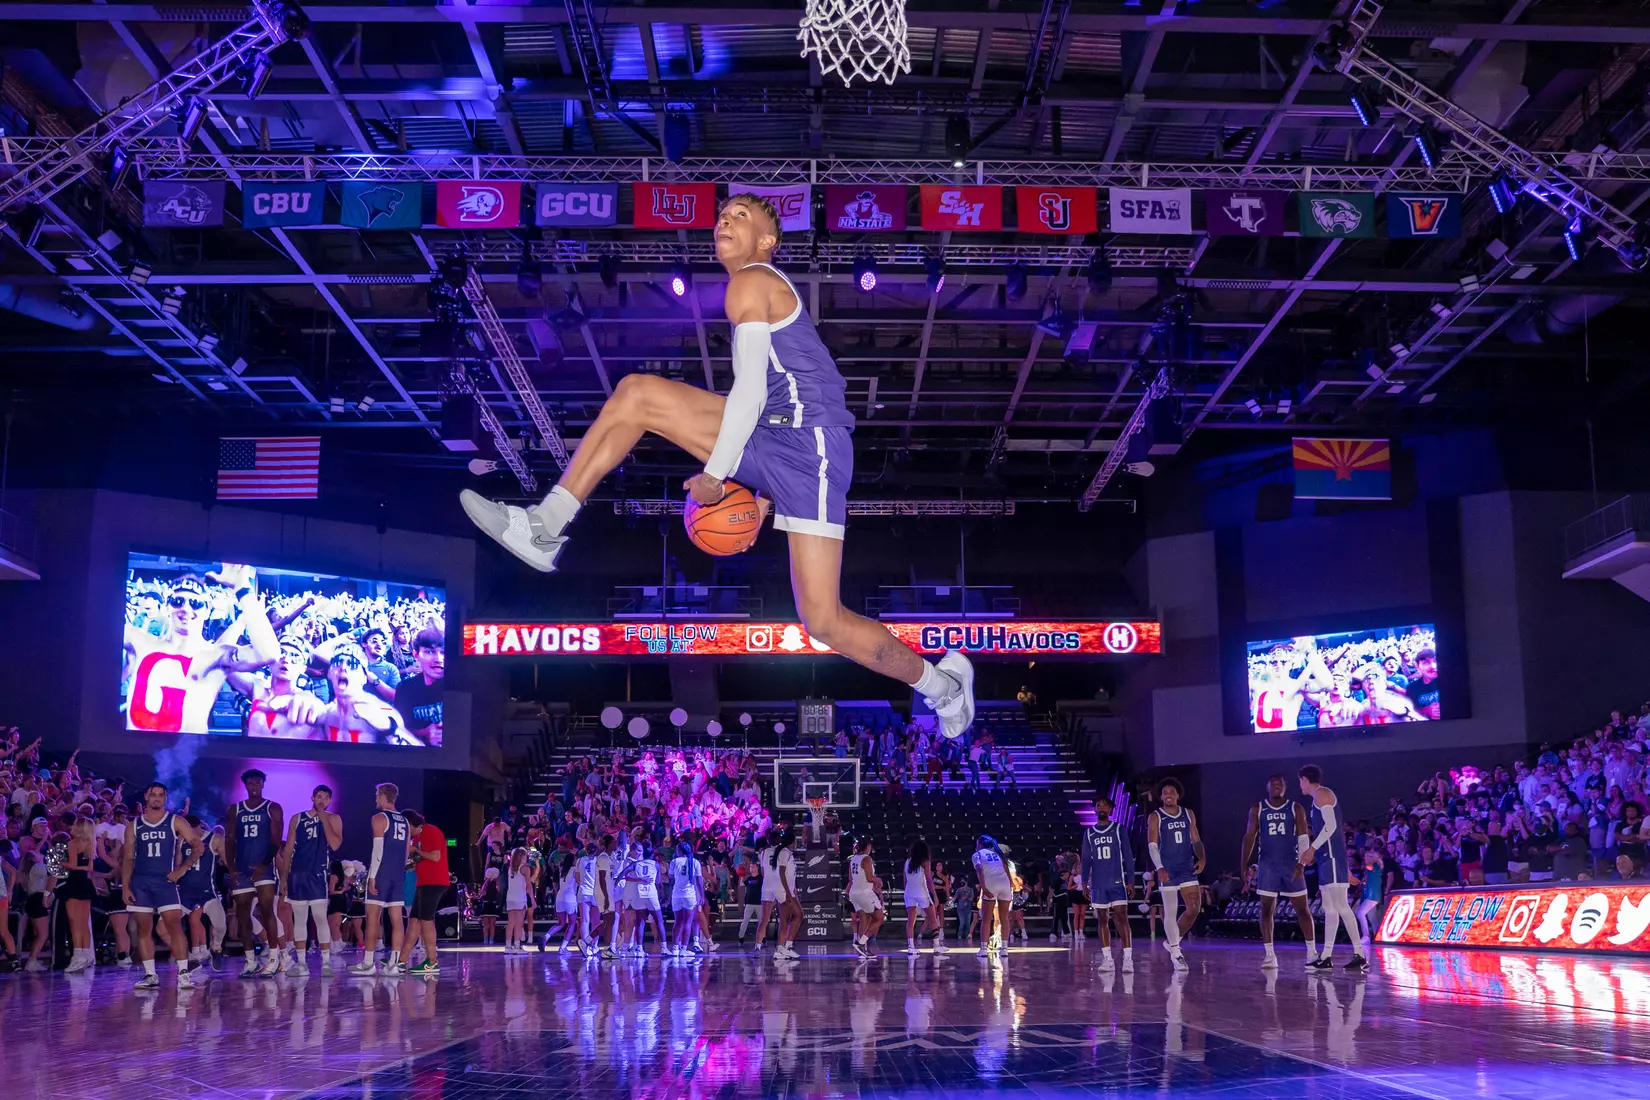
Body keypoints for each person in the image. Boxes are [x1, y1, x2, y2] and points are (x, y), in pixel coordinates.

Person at [457, 194, 977, 742]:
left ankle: (943, 686)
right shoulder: (746, 289)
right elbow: (756, 396)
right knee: (636, 395)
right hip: (772, 433)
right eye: (722, 215)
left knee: (822, 620)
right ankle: (544, 525)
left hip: (812, 448)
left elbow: (750, 392)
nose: (725, 221)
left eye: (742, 217)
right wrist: (754, 485)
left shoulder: (754, 279)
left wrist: (718, 474)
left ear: (767, 241)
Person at [122, 568, 279, 733]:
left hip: (187, 755)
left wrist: (243, 589)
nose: (186, 609)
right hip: (135, 754)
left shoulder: (216, 655)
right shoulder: (140, 641)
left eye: (195, 604)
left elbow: (269, 653)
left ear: (207, 610)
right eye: (178, 601)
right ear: (167, 606)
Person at [123, 782, 204, 990]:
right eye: (153, 795)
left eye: (161, 795)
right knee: (143, 929)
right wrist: (125, 886)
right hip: (140, 882)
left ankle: (184, 973)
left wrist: (183, 869)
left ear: (165, 798)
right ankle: (150, 975)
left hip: (165, 881)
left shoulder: (175, 821)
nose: (157, 798)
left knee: (174, 926)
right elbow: (128, 858)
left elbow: (198, 845)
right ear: (146, 798)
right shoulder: (133, 825)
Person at [1240, 775, 1317, 971]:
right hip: (1267, 864)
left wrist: (1302, 862)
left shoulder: (1295, 808)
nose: (1276, 786)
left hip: (1291, 864)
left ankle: (1311, 952)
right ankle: (1269, 954)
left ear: (1285, 788)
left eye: (1280, 784)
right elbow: (1250, 836)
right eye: (1273, 784)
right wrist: (1243, 864)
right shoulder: (1258, 808)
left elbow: (1302, 836)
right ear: (1267, 787)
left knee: (1303, 909)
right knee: (1266, 910)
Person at [1298, 765, 1366, 971]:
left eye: (1299, 781)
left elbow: (1331, 827)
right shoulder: (1317, 798)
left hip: (1332, 857)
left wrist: (1311, 849)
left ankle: (1359, 954)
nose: (1299, 785)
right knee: (1329, 908)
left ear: (1305, 779)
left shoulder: (1322, 794)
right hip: (1329, 858)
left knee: (1341, 906)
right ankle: (1326, 955)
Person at [224, 769, 284, 977]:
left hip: (264, 867)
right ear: (245, 785)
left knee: (268, 911)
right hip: (241, 867)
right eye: (250, 783)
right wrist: (231, 868)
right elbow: (229, 840)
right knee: (242, 915)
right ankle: (251, 961)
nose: (254, 786)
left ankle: (275, 958)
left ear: (263, 784)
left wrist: (263, 864)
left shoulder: (272, 808)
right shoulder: (235, 810)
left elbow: (277, 841)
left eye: (257, 782)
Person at [279, 784, 342, 976]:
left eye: (326, 797)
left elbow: (335, 844)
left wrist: (324, 821)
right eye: (319, 796)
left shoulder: (333, 818)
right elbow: (288, 849)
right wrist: (284, 876)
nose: (322, 800)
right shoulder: (297, 818)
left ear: (330, 801)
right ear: (312, 798)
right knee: (299, 919)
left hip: (318, 874)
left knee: (320, 917)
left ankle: (325, 963)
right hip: (297, 874)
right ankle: (301, 964)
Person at [350, 782, 410, 975]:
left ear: (384, 797)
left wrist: (373, 876)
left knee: (373, 917)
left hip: (382, 873)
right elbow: (407, 851)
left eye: (377, 795)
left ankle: (368, 963)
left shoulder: (379, 818)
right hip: (398, 875)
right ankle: (394, 964)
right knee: (397, 920)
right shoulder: (405, 821)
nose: (376, 799)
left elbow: (378, 850)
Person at [1147, 778, 1204, 971]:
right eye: (1164, 793)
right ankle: (1176, 952)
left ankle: (1173, 940)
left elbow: (1196, 839)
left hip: (1187, 868)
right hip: (1168, 870)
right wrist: (1159, 867)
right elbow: (1152, 846)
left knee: (1194, 908)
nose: (1168, 795)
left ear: (1178, 795)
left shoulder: (1188, 814)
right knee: (1170, 912)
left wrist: (1202, 858)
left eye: (1171, 792)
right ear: (1161, 797)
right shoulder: (1156, 816)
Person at [1081, 794, 1136, 973]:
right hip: (1098, 883)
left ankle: (1128, 959)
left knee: (1122, 917)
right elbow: (1086, 860)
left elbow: (1128, 856)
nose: (1102, 807)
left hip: (1117, 880)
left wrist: (1131, 880)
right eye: (1098, 805)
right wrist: (1083, 882)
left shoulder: (1119, 829)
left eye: (1105, 805)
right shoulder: (1089, 833)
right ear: (1095, 809)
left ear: (1111, 809)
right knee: (1102, 919)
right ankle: (1107, 960)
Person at [404, 808, 447, 975]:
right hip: (423, 883)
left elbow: (435, 856)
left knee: (426, 921)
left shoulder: (431, 831)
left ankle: (432, 961)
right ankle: (401, 960)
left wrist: (416, 851)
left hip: (434, 882)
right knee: (414, 921)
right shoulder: (417, 837)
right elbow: (415, 861)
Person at [178, 818, 223, 969]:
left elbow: (228, 860)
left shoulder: (214, 839)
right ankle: (191, 958)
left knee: (220, 925)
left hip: (207, 890)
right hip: (186, 892)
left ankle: (216, 948)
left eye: (191, 829)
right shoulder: (181, 841)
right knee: (163, 926)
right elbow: (176, 864)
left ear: (199, 826)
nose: (188, 833)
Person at [389, 627, 445, 747]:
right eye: (430, 652)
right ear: (416, 655)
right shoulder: (405, 689)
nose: (438, 659)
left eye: (443, 652)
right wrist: (425, 733)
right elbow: (399, 730)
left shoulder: (462, 685)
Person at [61, 817, 98, 973]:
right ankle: (85, 955)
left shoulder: (72, 844)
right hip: (85, 883)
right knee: (83, 922)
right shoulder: (90, 844)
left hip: (74, 883)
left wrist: (61, 863)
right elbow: (89, 867)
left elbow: (73, 865)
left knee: (74, 921)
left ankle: (77, 957)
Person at [971, 834, 1015, 957]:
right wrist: (1010, 884)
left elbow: (979, 870)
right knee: (1004, 917)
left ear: (979, 844)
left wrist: (983, 887)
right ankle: (1004, 949)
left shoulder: (977, 855)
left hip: (991, 883)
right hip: (1005, 883)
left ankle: (984, 949)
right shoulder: (997, 853)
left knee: (986, 919)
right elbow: (1006, 868)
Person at [901, 838, 946, 956]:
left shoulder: (907, 862)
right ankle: (936, 946)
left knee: (910, 921)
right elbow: (929, 880)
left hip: (909, 892)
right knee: (932, 918)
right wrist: (935, 896)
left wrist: (908, 892)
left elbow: (904, 880)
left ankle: (911, 947)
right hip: (921, 892)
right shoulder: (925, 861)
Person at [846, 836, 884, 958]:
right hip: (864, 892)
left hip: (854, 893)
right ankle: (861, 943)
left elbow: (851, 879)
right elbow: (869, 878)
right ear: (868, 846)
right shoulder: (866, 858)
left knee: (863, 918)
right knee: (879, 918)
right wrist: (878, 879)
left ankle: (862, 952)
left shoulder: (853, 859)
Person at [669, 841, 707, 957]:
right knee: (687, 922)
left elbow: (671, 878)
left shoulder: (674, 861)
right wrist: (702, 895)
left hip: (676, 895)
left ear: (679, 851)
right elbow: (699, 881)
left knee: (677, 922)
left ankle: (675, 948)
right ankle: (684, 949)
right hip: (689, 895)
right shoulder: (695, 862)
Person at [750, 832, 786, 955]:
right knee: (783, 918)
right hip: (779, 885)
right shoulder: (783, 852)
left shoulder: (763, 853)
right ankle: (781, 947)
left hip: (767, 886)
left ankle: (757, 947)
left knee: (764, 919)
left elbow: (763, 872)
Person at [775, 828, 803, 960]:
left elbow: (791, 876)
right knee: (799, 915)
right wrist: (787, 892)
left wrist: (793, 891)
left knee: (785, 920)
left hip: (787, 890)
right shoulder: (785, 853)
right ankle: (788, 946)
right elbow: (781, 873)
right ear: (791, 842)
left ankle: (779, 949)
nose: (796, 844)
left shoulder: (786, 853)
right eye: (795, 842)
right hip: (783, 891)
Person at [1354, 849, 1387, 943]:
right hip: (1367, 896)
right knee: (1373, 919)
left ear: (1374, 859)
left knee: (1360, 913)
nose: (1366, 858)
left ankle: (1366, 936)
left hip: (1373, 896)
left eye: (1369, 857)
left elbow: (1378, 863)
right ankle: (1377, 938)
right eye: (1365, 856)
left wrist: (1375, 858)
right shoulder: (1367, 870)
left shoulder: (1375, 867)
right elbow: (1366, 882)